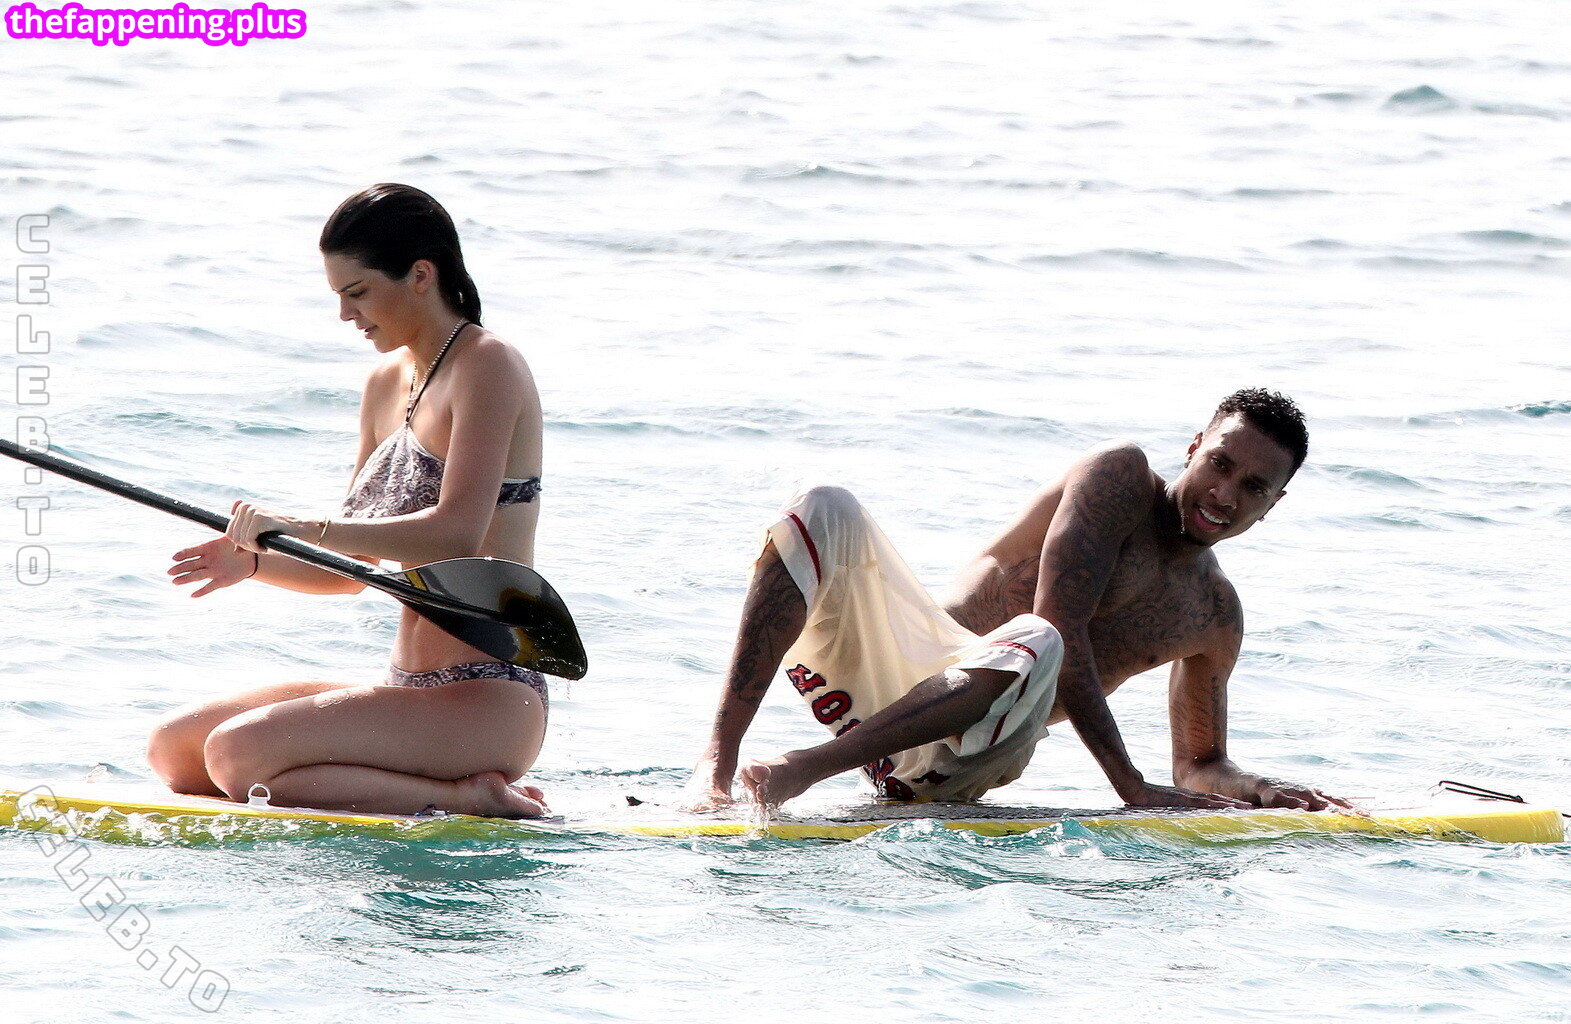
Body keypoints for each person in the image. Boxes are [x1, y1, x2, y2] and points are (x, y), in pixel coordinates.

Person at [685, 388, 1348, 813]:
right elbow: (1063, 617)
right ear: (1195, 448)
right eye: (1220, 464)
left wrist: (1258, 790)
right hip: (881, 689)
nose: (1225, 494)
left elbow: (1199, 765)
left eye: (1254, 487)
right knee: (823, 505)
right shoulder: (1118, 477)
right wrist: (1130, 787)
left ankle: (801, 769)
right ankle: (717, 766)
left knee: (1038, 639)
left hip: (965, 752)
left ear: (1273, 504)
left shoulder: (1214, 615)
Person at [146, 184, 551, 818]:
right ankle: (420, 784)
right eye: (338, 295)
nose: (344, 315)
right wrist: (253, 561)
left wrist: (302, 525)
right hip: (410, 688)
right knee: (175, 750)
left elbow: (456, 535)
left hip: (491, 697)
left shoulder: (488, 364)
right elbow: (350, 572)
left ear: (421, 275)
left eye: (357, 292)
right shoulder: (386, 383)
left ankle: (470, 796)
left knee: (236, 757)